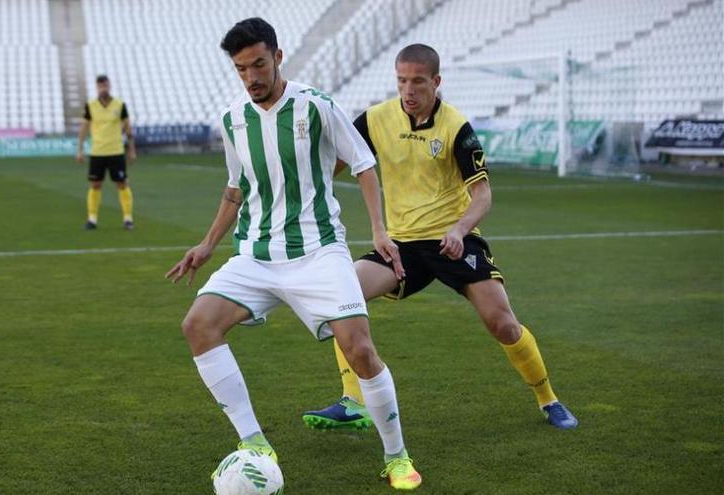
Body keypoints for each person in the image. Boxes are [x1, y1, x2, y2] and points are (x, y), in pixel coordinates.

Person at [166, 18, 422, 490]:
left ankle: (397, 456)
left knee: (360, 348)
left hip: (319, 251)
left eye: (259, 65)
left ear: (278, 57)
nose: (251, 78)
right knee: (197, 324)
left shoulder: (317, 106)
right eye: (241, 69)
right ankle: (255, 443)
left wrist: (379, 230)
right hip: (257, 255)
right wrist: (206, 246)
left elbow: (364, 164)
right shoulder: (232, 119)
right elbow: (235, 188)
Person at [302, 44, 579, 431]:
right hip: (400, 246)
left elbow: (482, 195)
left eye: (417, 81)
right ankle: (353, 401)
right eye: (401, 81)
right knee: (341, 297)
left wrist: (459, 229)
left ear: (436, 81)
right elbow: (336, 165)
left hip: (452, 241)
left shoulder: (455, 127)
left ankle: (549, 399)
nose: (408, 91)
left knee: (502, 323)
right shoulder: (375, 119)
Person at [76, 75, 137, 230]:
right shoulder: (90, 105)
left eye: (106, 85)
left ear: (109, 86)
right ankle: (92, 219)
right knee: (95, 184)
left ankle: (128, 218)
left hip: (116, 151)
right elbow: (83, 128)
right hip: (97, 152)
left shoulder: (120, 104)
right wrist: (80, 149)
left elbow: (128, 128)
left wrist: (132, 149)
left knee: (122, 184)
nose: (104, 88)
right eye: (100, 86)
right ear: (97, 87)